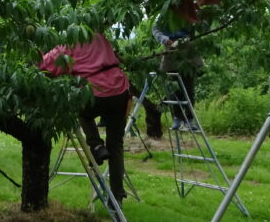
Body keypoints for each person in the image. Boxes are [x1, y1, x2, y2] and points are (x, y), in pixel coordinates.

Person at [39, 32, 130, 203]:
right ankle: (117, 196)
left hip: (95, 90)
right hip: (119, 89)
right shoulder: (99, 36)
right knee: (116, 145)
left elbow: (45, 66)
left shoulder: (68, 44)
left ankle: (95, 145)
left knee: (81, 111)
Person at [152, 15, 203, 131]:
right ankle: (177, 117)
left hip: (187, 49)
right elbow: (155, 29)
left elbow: (199, 25)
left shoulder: (186, 11)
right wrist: (165, 40)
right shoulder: (164, 15)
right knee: (174, 90)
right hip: (171, 49)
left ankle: (189, 119)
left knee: (188, 89)